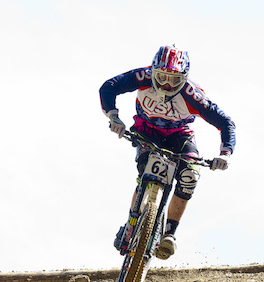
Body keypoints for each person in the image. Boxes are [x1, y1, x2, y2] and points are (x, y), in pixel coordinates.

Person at [99, 45, 236, 259]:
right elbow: (108, 87)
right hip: (146, 130)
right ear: (154, 71)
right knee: (147, 170)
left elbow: (225, 122)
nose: (166, 84)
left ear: (184, 78)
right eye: (162, 77)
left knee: (190, 176)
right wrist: (114, 116)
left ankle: (169, 234)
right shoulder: (142, 76)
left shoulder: (192, 94)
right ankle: (131, 222)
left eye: (174, 80)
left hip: (179, 135)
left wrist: (225, 154)